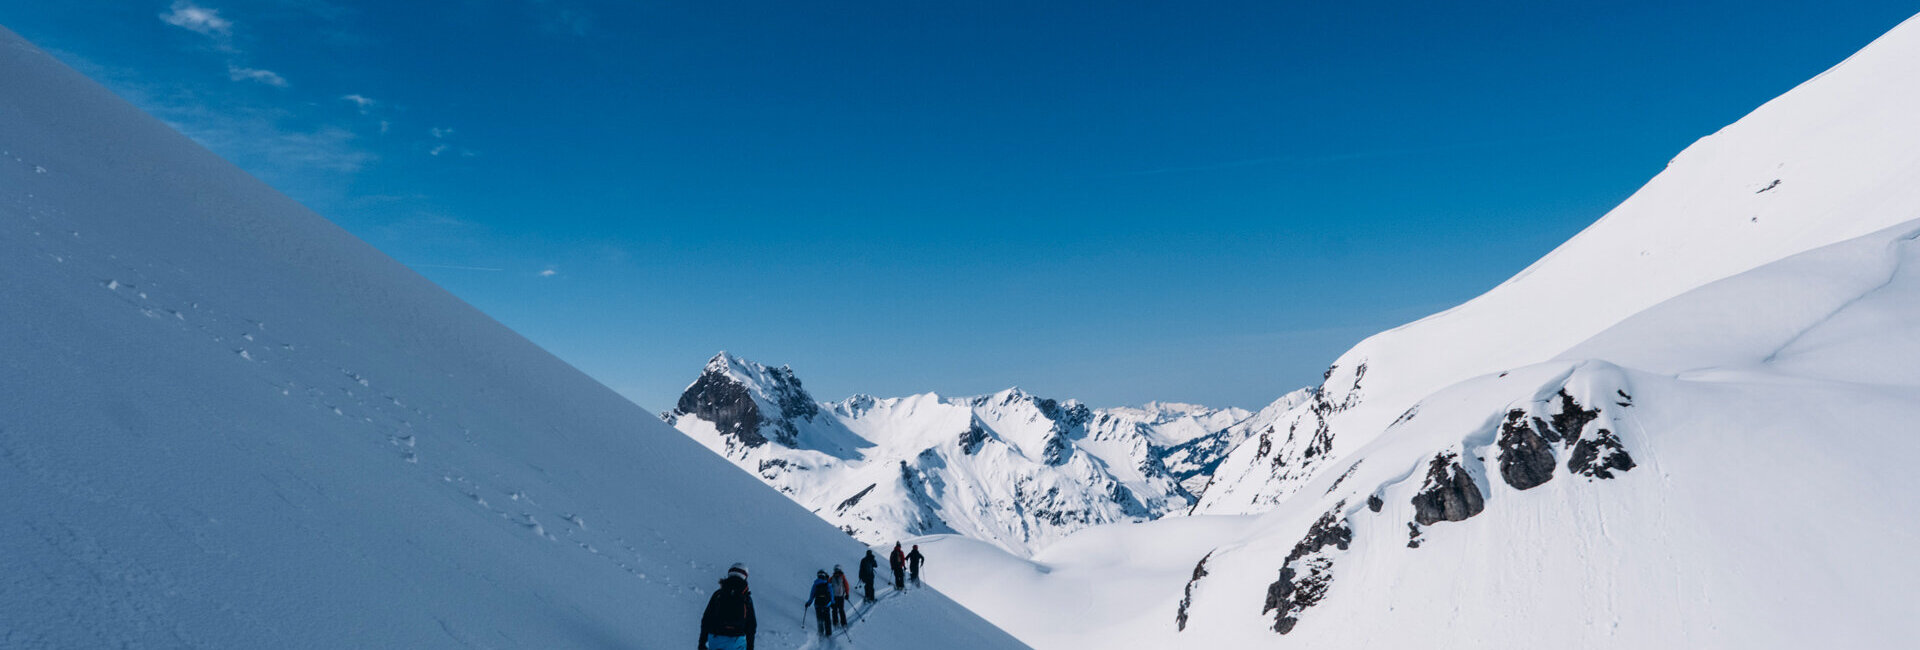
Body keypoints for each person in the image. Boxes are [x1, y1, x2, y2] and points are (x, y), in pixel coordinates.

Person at [698, 563, 756, 650]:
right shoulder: (746, 598)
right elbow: (751, 625)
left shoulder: (718, 594)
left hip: (716, 639)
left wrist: (702, 643)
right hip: (737, 641)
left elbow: (706, 619)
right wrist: (750, 647)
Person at [803, 569, 834, 637]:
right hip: (826, 604)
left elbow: (812, 595)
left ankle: (820, 632)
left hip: (818, 605)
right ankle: (828, 633)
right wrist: (833, 603)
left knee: (819, 619)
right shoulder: (827, 584)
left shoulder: (815, 584)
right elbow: (831, 594)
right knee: (827, 619)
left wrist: (808, 603)